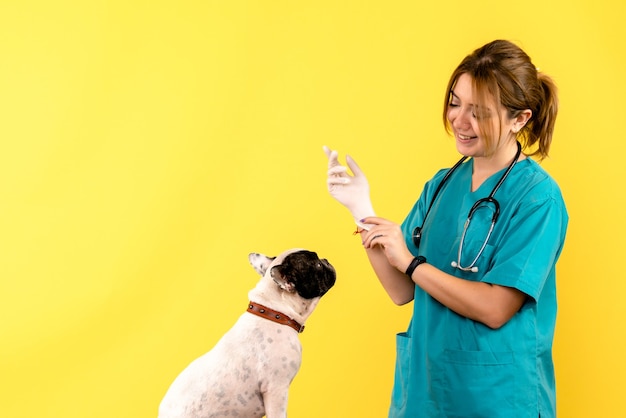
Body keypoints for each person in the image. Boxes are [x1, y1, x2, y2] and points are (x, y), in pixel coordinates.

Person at [323, 39, 568, 417]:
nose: (459, 120)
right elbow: (401, 288)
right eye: (455, 103)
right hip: (427, 391)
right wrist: (360, 209)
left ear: (519, 119)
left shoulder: (538, 199)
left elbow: (496, 308)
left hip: (496, 396)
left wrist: (412, 263)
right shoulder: (441, 185)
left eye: (479, 113)